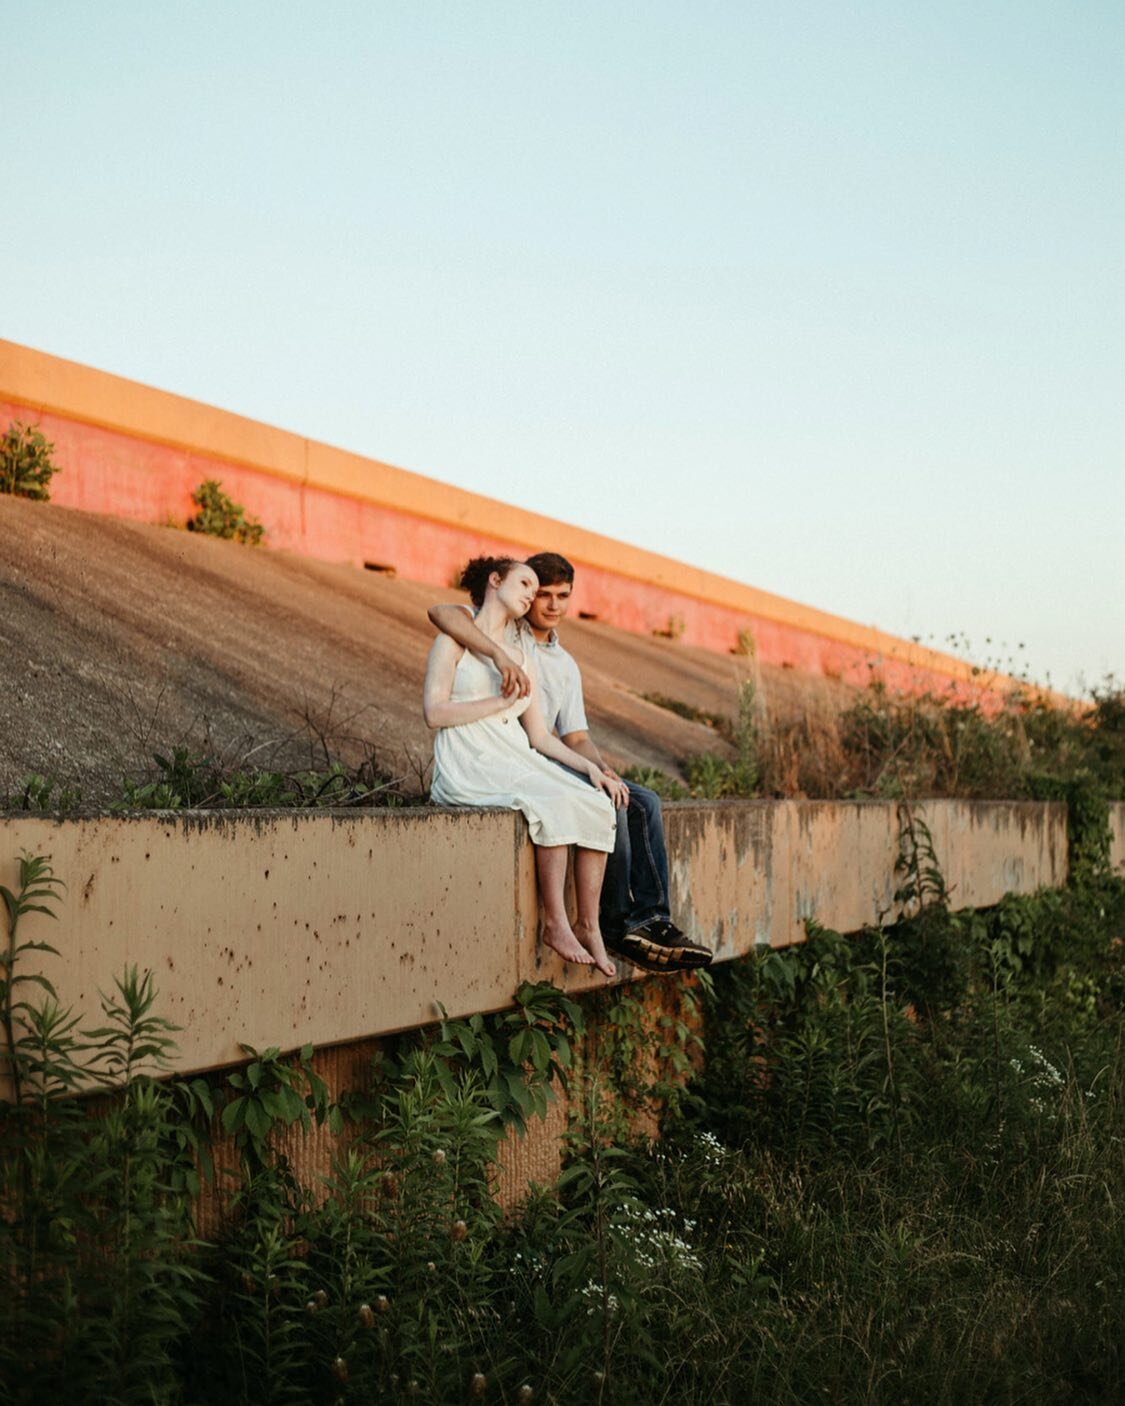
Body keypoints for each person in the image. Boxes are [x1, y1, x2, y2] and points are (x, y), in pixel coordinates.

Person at [428, 552, 713, 975]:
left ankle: (648, 920)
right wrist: (500, 657)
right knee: (610, 803)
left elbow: (574, 736)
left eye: (562, 596)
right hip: (510, 754)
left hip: (540, 752)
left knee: (641, 800)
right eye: (539, 593)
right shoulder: (505, 632)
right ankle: (612, 925)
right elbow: (442, 613)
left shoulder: (562, 664)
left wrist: (599, 767)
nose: (549, 604)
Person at [423, 555, 629, 979]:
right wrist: (497, 701)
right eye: (526, 585)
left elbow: (539, 737)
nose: (532, 597)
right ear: (495, 581)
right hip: (469, 757)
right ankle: (554, 921)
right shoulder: (455, 635)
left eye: (535, 592)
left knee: (595, 802)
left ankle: (587, 924)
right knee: (550, 800)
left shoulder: (523, 652)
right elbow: (434, 713)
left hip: (512, 751)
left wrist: (592, 770)